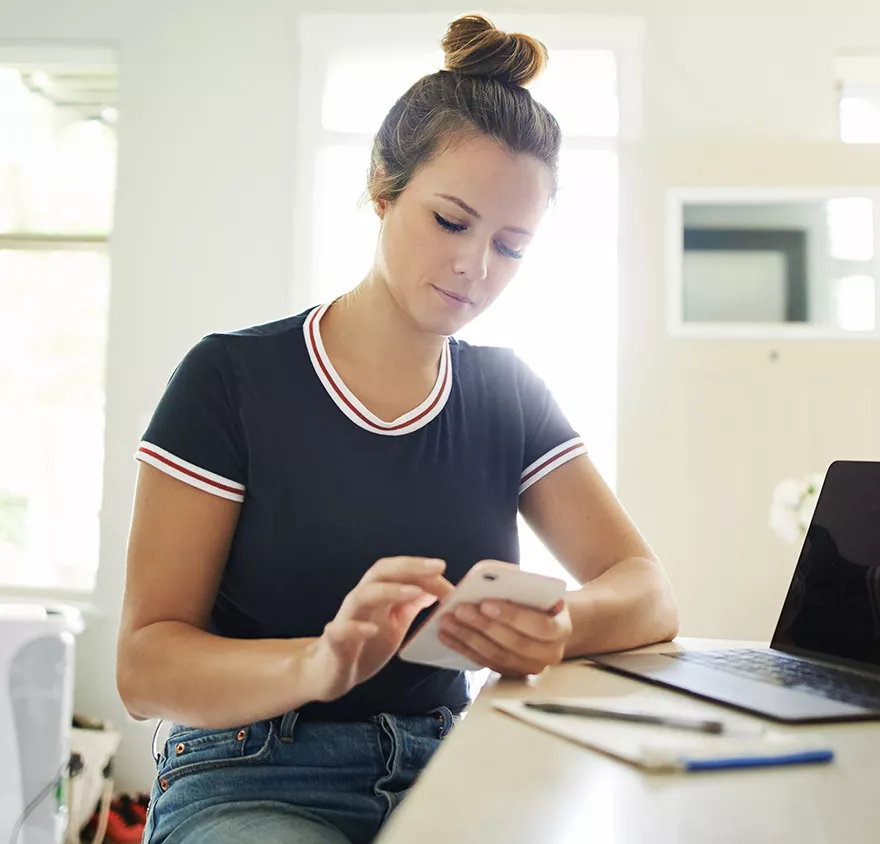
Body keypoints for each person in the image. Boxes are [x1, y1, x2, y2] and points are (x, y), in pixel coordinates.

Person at [117, 13, 679, 844]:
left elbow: (646, 588)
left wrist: (560, 625)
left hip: (452, 763)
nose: (475, 268)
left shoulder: (508, 393)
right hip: (253, 774)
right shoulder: (231, 381)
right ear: (383, 187)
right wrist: (319, 662)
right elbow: (143, 668)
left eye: (512, 246)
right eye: (452, 222)